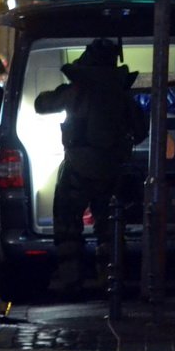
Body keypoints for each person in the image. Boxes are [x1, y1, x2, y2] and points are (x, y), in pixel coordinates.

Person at [34, 38, 148, 297]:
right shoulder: (122, 95)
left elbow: (41, 104)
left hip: (77, 169)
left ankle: (70, 278)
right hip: (111, 170)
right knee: (109, 225)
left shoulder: (75, 91)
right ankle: (110, 278)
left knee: (66, 222)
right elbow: (141, 131)